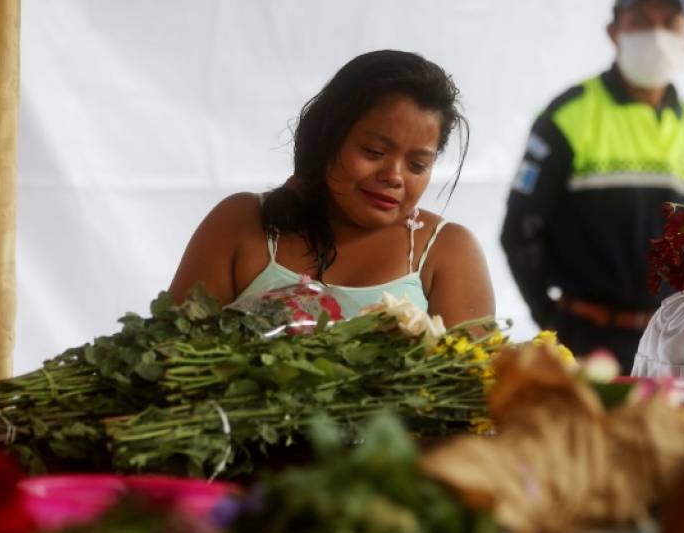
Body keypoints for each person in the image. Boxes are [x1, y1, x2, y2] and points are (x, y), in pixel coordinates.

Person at [169, 50, 495, 327]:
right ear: (327, 139)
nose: (394, 176)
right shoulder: (241, 222)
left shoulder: (448, 251)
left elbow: (475, 389)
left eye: (417, 165)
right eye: (374, 152)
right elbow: (166, 357)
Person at [500, 0, 684, 372]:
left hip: (671, 344)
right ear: (614, 30)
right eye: (641, 21)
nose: (657, 33)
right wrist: (551, 319)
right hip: (585, 340)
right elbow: (520, 230)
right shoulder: (569, 114)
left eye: (670, 22)